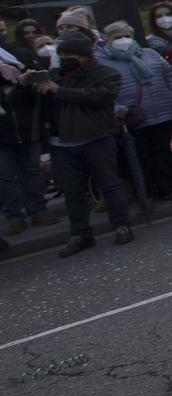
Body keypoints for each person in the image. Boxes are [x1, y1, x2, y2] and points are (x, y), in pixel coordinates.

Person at [39, 31, 136, 257]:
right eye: (62, 54)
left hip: (96, 138)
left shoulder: (106, 74)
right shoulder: (54, 75)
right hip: (61, 142)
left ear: (84, 56)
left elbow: (98, 97)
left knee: (110, 185)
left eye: (70, 54)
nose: (65, 58)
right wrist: (27, 85)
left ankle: (121, 225)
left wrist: (59, 91)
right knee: (73, 192)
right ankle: (81, 234)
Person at [101, 21, 172, 202]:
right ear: (107, 40)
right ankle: (148, 192)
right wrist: (117, 108)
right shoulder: (102, 61)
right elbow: (103, 90)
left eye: (127, 36)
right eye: (117, 37)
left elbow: (169, 74)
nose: (123, 40)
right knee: (141, 155)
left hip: (162, 112)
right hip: (133, 117)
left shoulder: (149, 54)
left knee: (162, 152)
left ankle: (170, 189)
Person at [1, 38, 58, 235]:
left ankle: (38, 210)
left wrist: (25, 82)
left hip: (27, 125)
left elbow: (37, 90)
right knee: (5, 176)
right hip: (2, 131)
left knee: (32, 170)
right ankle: (15, 217)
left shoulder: (19, 56)